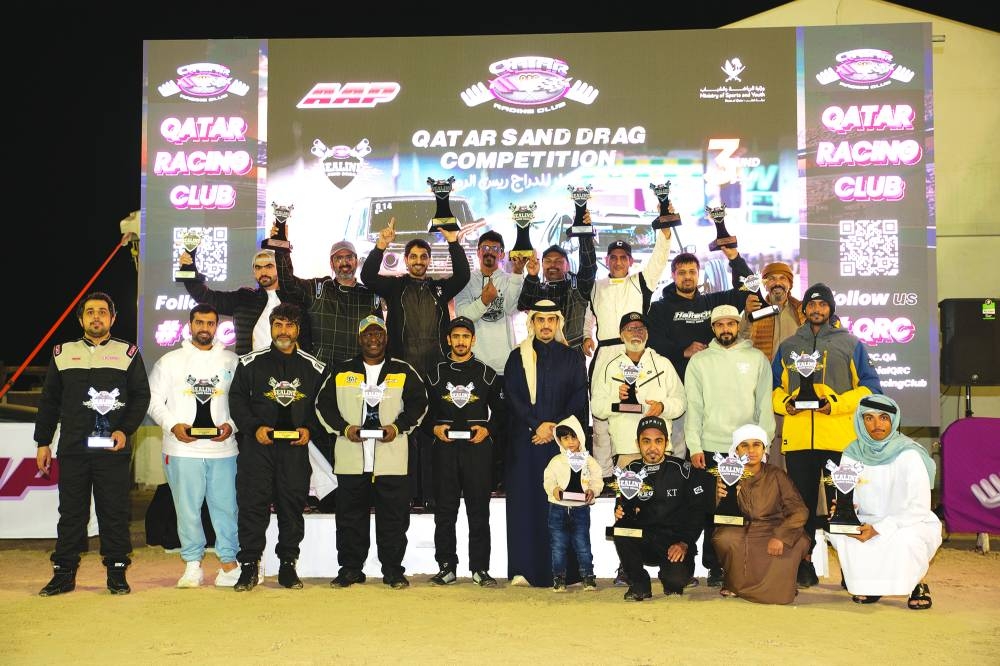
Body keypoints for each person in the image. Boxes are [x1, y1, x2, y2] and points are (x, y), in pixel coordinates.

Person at [36, 292, 151, 596]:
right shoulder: (62, 352)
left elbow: (141, 396)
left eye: (103, 312)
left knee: (114, 510)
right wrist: (42, 442)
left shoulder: (128, 353)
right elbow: (49, 401)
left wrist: (125, 430)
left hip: (112, 449)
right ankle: (63, 572)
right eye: (90, 312)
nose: (96, 317)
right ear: (81, 318)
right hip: (73, 448)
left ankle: (116, 571)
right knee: (71, 512)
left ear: (113, 318)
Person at [771, 282, 882, 588]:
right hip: (799, 440)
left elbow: (871, 388)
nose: (817, 310)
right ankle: (804, 563)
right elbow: (772, 389)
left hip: (838, 440)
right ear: (803, 309)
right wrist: (785, 404)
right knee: (801, 507)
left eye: (823, 305)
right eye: (812, 305)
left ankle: (851, 568)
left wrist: (835, 404)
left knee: (842, 506)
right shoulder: (789, 346)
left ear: (831, 309)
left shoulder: (850, 344)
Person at [361, 217, 470, 508]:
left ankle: (433, 496)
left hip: (435, 375)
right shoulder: (394, 288)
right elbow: (368, 277)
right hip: (403, 374)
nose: (419, 261)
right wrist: (381, 245)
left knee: (433, 436)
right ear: (406, 261)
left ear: (429, 261)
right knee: (403, 435)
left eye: (424, 257)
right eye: (414, 257)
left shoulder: (439, 289)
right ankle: (407, 495)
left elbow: (462, 276)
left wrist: (453, 242)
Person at [315, 314, 428, 590]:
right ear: (359, 338)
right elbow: (323, 406)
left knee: (393, 518)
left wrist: (398, 427)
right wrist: (344, 429)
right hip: (351, 459)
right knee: (350, 518)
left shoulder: (403, 370)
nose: (373, 339)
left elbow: (420, 404)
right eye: (368, 334)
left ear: (386, 338)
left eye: (378, 334)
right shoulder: (341, 371)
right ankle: (351, 569)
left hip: (392, 460)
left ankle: (392, 570)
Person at [227, 303, 326, 591]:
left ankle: (287, 566)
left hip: (294, 451)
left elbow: (324, 407)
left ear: (298, 329)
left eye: (289, 325)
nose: (283, 331)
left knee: (291, 507)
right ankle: (248, 567)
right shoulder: (249, 363)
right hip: (258, 449)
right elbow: (236, 401)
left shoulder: (314, 368)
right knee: (252, 507)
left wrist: (310, 430)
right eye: (278, 324)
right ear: (270, 328)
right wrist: (253, 428)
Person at [147, 303, 241, 588]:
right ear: (190, 325)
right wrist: (173, 426)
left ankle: (228, 564)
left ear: (216, 326)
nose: (204, 328)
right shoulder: (169, 361)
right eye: (199, 322)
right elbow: (152, 401)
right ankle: (192, 565)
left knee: (226, 507)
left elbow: (243, 403)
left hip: (223, 449)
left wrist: (232, 426)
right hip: (181, 449)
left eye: (210, 323)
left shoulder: (231, 361)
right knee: (187, 508)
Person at [684, 304, 776, 586]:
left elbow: (764, 406)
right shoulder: (699, 362)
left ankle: (743, 563)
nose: (726, 329)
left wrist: (765, 445)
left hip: (747, 449)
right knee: (713, 506)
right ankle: (714, 566)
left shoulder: (757, 358)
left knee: (745, 507)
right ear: (713, 328)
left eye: (730, 324)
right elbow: (694, 407)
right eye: (720, 324)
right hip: (711, 446)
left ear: (738, 326)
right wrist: (694, 446)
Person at [826, 394, 941, 610]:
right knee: (842, 533)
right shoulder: (851, 453)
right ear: (860, 421)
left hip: (908, 521)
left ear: (893, 421)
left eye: (883, 418)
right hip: (867, 519)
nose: (876, 424)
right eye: (868, 418)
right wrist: (845, 510)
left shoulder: (909, 454)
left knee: (906, 540)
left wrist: (879, 528)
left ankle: (917, 583)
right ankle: (871, 585)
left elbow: (919, 507)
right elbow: (851, 496)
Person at [504, 299, 589, 587]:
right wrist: (535, 424)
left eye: (551, 320)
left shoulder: (573, 358)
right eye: (540, 320)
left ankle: (569, 572)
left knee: (563, 504)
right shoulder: (517, 357)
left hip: (560, 444)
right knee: (526, 504)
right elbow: (512, 396)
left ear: (558, 323)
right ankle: (524, 569)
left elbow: (578, 400)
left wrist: (552, 428)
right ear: (532, 323)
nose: (545, 326)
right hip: (527, 443)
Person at [645, 247, 752, 458]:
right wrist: (682, 351)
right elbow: (654, 342)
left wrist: (734, 258)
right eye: (682, 272)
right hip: (676, 388)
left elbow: (746, 289)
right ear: (673, 275)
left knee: (705, 448)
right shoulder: (660, 308)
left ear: (698, 274)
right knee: (677, 447)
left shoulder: (711, 302)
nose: (687, 277)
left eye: (692, 272)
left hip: (710, 390)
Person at [424, 316, 504, 587]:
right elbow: (422, 413)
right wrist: (433, 428)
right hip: (444, 450)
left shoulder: (487, 374)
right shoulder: (433, 373)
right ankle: (446, 566)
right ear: (448, 339)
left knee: (479, 511)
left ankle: (480, 568)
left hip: (477, 450)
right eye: (455, 336)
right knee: (445, 511)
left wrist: (488, 430)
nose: (460, 341)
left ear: (473, 340)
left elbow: (503, 413)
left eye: (465, 337)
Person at [584, 231, 671, 480]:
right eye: (614, 257)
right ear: (607, 260)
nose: (619, 261)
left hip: (634, 351)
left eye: (624, 257)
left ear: (631, 261)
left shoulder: (640, 282)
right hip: (604, 354)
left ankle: (635, 470)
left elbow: (659, 260)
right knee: (601, 413)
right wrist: (586, 335)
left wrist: (664, 236)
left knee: (635, 408)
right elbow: (589, 315)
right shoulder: (597, 286)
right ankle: (603, 474)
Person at [454, 230, 526, 491]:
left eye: (495, 248)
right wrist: (483, 301)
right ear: (478, 252)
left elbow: (511, 308)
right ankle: (470, 478)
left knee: (503, 425)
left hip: (503, 365)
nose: (489, 252)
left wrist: (518, 275)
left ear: (502, 254)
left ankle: (502, 478)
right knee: (472, 423)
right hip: (475, 366)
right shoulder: (466, 281)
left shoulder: (508, 279)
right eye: (485, 247)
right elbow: (461, 315)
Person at [611, 416, 711, 601]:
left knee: (675, 583)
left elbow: (697, 513)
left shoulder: (683, 470)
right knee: (621, 529)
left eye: (658, 441)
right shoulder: (629, 472)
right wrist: (620, 512)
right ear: (637, 443)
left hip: (675, 543)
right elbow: (622, 506)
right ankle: (639, 583)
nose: (652, 448)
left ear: (666, 442)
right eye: (646, 441)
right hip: (644, 541)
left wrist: (684, 543)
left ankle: (669, 574)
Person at [711, 424, 810, 604]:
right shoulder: (727, 473)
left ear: (764, 448)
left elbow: (799, 510)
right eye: (744, 445)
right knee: (724, 538)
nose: (751, 450)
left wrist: (780, 536)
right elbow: (717, 515)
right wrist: (719, 498)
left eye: (756, 444)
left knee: (799, 541)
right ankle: (734, 583)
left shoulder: (777, 475)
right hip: (741, 529)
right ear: (736, 450)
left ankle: (782, 584)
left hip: (773, 528)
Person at [272, 237, 382, 367]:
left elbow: (379, 339)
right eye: (338, 258)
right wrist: (281, 244)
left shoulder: (370, 295)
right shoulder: (318, 288)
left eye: (349, 257)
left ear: (356, 261)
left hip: (356, 373)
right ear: (331, 264)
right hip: (320, 371)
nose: (344, 262)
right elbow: (288, 283)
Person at [181, 248, 310, 355]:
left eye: (269, 266)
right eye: (258, 267)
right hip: (251, 373)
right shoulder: (244, 297)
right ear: (254, 272)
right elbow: (206, 297)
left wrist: (282, 244)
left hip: (292, 373)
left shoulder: (296, 297)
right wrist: (189, 269)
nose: (263, 271)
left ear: (279, 268)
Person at [741, 261, 806, 471]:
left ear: (790, 283)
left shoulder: (801, 311)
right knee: (770, 441)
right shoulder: (756, 309)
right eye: (771, 279)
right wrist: (747, 316)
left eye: (782, 278)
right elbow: (741, 342)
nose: (777, 283)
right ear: (765, 284)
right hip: (763, 386)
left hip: (796, 387)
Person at [542, 415, 603, 592]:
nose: (570, 442)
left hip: (581, 509)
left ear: (581, 438)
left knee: (583, 544)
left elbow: (597, 480)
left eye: (573, 437)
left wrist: (593, 491)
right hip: (557, 509)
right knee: (558, 546)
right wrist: (554, 490)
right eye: (565, 438)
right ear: (559, 440)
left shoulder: (589, 461)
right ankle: (559, 578)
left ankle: (588, 577)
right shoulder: (556, 461)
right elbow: (548, 480)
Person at [517, 234, 597, 353]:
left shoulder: (578, 286)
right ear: (542, 265)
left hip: (573, 353)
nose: (552, 265)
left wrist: (584, 234)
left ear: (568, 265)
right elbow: (523, 305)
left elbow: (588, 266)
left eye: (558, 261)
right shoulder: (538, 287)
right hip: (541, 354)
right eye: (548, 261)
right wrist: (532, 276)